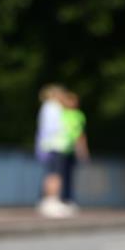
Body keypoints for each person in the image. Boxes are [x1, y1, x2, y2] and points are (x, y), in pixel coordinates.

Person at [34, 84, 74, 218]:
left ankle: (50, 201)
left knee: (51, 173)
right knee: (55, 175)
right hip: (56, 145)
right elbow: (53, 128)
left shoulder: (48, 107)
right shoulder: (53, 107)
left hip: (50, 145)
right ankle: (51, 201)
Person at [59, 90, 89, 210]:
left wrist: (83, 150)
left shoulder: (79, 115)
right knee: (58, 175)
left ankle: (68, 199)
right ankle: (59, 199)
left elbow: (81, 134)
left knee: (69, 175)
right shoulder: (60, 113)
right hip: (61, 147)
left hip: (72, 149)